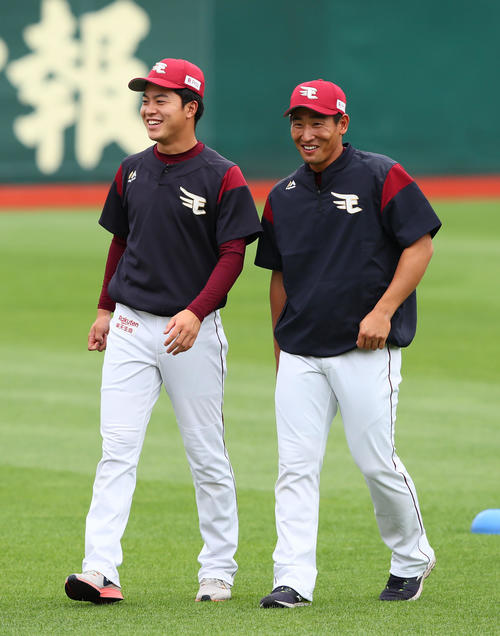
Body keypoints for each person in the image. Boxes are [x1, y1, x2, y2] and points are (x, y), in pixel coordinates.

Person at [64, 58, 261, 605]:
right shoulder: (131, 169)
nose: (149, 109)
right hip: (130, 325)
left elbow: (233, 254)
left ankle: (217, 571)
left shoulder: (222, 175)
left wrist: (196, 312)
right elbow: (121, 242)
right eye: (145, 99)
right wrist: (104, 308)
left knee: (206, 454)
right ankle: (100, 569)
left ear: (191, 108)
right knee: (117, 450)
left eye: (162, 99)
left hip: (191, 332)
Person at [255, 79, 441, 608]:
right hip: (301, 352)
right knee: (294, 467)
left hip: (366, 350)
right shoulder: (282, 196)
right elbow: (279, 279)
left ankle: (411, 558)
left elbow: (420, 247)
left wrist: (384, 310)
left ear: (342, 124)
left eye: (318, 122)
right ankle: (292, 579)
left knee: (376, 461)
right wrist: (279, 349)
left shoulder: (381, 175)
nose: (306, 133)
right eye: (298, 123)